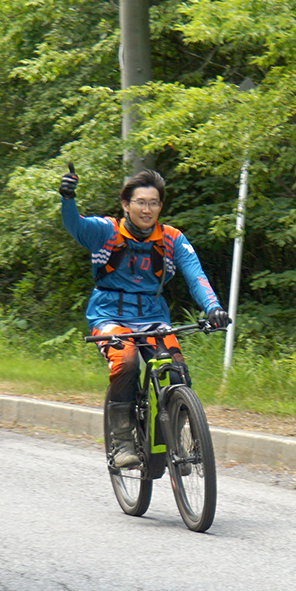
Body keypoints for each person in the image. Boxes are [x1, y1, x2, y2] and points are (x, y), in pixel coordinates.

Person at [58, 163, 229, 468]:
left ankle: (174, 441)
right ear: (126, 204)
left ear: (160, 206)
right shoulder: (106, 231)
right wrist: (67, 199)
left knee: (176, 371)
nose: (147, 209)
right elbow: (75, 225)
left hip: (152, 317)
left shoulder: (172, 239)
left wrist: (213, 307)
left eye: (154, 203)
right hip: (109, 316)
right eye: (140, 202)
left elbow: (196, 276)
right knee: (125, 362)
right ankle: (122, 442)